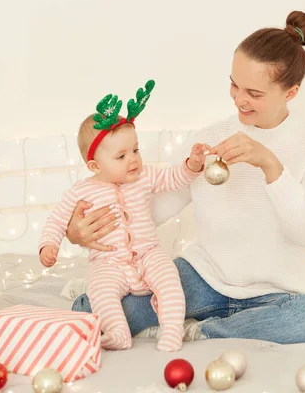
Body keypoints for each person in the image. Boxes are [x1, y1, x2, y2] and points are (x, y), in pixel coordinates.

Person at [67, 10, 305, 345]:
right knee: (88, 315)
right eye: (234, 84)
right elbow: (149, 209)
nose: (239, 99)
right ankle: (133, 296)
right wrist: (79, 229)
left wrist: (271, 165)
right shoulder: (209, 138)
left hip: (276, 294)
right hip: (202, 280)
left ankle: (203, 330)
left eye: (254, 93)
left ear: (291, 92)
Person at [38, 80, 208, 352]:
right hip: (108, 263)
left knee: (169, 280)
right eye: (121, 156)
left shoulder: (144, 176)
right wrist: (49, 245)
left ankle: (173, 329)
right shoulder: (81, 191)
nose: (133, 160)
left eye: (135, 150)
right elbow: (57, 221)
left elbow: (173, 179)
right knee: (101, 292)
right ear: (95, 165)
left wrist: (192, 165)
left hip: (148, 254)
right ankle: (118, 332)